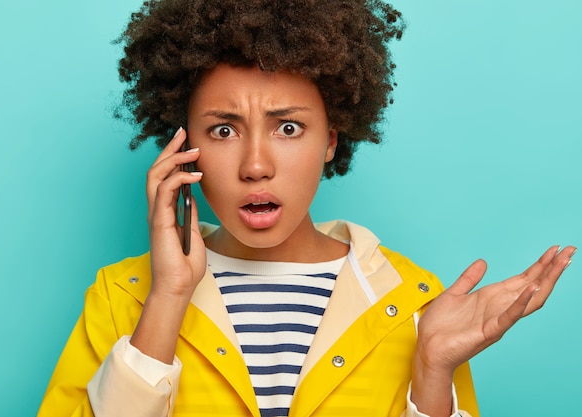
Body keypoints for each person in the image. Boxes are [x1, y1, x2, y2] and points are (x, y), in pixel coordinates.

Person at [37, 0, 576, 416]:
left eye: (288, 128)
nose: (255, 166)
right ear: (183, 147)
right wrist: (169, 297)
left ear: (331, 142)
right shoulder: (122, 296)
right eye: (224, 130)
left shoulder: (412, 304)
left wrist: (433, 369)